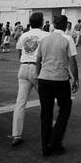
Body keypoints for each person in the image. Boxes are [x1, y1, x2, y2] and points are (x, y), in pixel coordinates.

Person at [36, 15, 79, 156]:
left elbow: (38, 60)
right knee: (65, 108)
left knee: (46, 113)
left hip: (44, 78)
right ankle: (56, 139)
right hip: (60, 79)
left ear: (53, 24)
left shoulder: (44, 39)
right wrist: (76, 79)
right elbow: (72, 61)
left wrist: (38, 76)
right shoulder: (67, 39)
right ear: (66, 25)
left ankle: (45, 146)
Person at [10, 11, 49, 147]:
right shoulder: (45, 35)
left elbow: (20, 53)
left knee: (20, 103)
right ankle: (50, 126)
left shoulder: (24, 35)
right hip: (37, 69)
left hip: (23, 67)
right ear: (42, 22)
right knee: (45, 101)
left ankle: (16, 134)